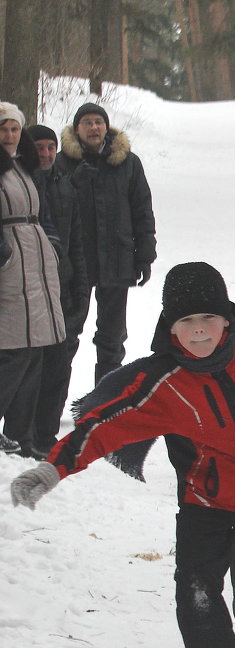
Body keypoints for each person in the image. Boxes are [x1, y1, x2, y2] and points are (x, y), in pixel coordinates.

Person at [9, 261, 235, 648]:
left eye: (207, 319)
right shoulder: (161, 385)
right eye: (185, 322)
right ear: (170, 326)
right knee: (196, 590)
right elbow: (100, 426)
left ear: (227, 320)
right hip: (203, 504)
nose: (197, 331)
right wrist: (52, 470)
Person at [56, 101, 156, 384]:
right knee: (67, 334)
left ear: (106, 127)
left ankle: (105, 402)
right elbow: (53, 209)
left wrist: (145, 255)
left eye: (98, 122)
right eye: (87, 122)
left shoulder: (128, 162)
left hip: (117, 258)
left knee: (112, 337)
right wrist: (72, 185)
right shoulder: (62, 163)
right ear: (77, 129)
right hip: (76, 263)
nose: (93, 127)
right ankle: (51, 407)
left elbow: (142, 210)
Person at [0, 103, 66, 457]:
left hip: (36, 263)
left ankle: (21, 437)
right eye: (2, 129)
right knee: (14, 353)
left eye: (14, 129)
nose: (9, 136)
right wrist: (4, 255)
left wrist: (52, 245)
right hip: (12, 267)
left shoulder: (23, 167)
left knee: (35, 351)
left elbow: (42, 214)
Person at [21, 124, 88, 458]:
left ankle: (46, 435)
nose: (45, 154)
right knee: (31, 365)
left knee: (59, 364)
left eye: (51, 147)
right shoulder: (17, 184)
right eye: (39, 147)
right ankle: (24, 433)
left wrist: (80, 287)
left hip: (62, 287)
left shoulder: (65, 184)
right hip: (26, 289)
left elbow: (77, 241)